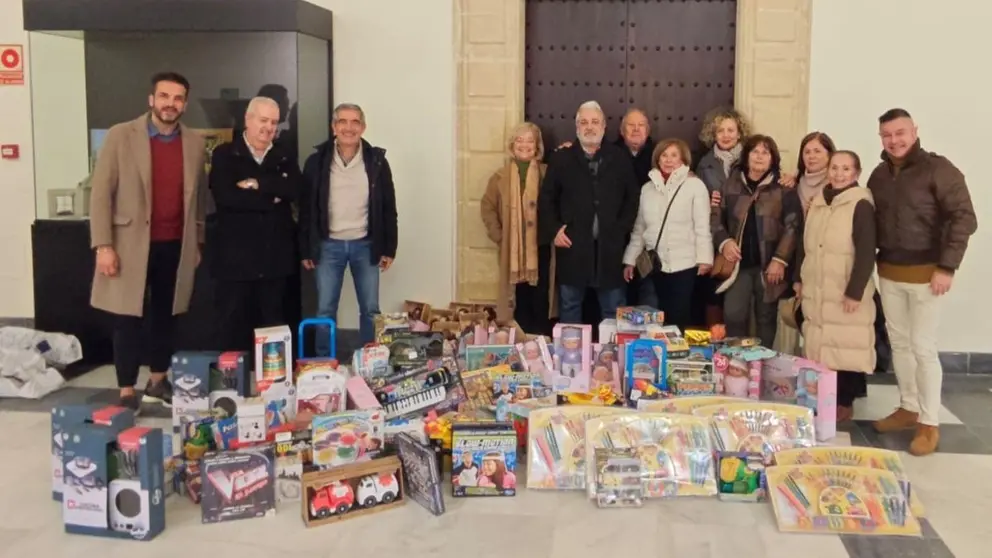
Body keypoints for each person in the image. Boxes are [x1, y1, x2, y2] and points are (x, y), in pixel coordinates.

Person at [89, 71, 205, 411]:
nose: (171, 104)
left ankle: (158, 380)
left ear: (184, 103)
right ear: (151, 100)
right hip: (128, 244)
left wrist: (196, 242)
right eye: (164, 97)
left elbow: (197, 198)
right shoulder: (120, 136)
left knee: (166, 315)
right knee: (127, 317)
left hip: (175, 244)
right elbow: (100, 194)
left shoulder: (195, 143)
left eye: (178, 98)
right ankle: (126, 388)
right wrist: (103, 245)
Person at [867, 108, 977, 456]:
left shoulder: (938, 169)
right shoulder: (878, 176)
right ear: (880, 137)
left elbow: (964, 218)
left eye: (900, 133)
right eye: (887, 135)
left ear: (914, 131)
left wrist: (947, 266)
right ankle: (908, 406)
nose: (894, 140)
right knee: (899, 345)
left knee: (923, 348)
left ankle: (929, 423)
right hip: (889, 273)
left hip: (929, 274)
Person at [300, 103, 398, 350]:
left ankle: (370, 363)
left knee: (370, 310)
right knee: (324, 310)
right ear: (334, 127)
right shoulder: (317, 161)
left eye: (355, 122)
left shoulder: (376, 161)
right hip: (327, 245)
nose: (348, 128)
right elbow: (306, 209)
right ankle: (324, 364)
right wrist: (306, 249)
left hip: (366, 245)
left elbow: (388, 207)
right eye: (342, 121)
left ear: (363, 127)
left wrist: (389, 248)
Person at [208, 96, 301, 351]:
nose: (268, 127)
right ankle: (231, 386)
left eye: (273, 122)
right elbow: (226, 197)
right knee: (231, 323)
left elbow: (294, 189)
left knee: (274, 327)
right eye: (263, 120)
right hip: (236, 259)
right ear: (248, 120)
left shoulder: (284, 155)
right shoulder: (225, 154)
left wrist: (257, 185)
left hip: (275, 260)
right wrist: (272, 197)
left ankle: (273, 387)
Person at [793, 150, 876, 423]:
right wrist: (799, 279)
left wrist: (855, 292)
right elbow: (804, 246)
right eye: (835, 168)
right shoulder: (819, 202)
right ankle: (823, 397)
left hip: (844, 288)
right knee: (822, 344)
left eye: (846, 169)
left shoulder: (860, 204)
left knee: (846, 345)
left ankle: (844, 401)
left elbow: (865, 252)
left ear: (856, 173)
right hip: (818, 286)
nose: (839, 174)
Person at [539, 101, 640, 324]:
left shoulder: (619, 158)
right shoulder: (561, 158)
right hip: (573, 248)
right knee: (570, 306)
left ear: (604, 126)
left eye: (595, 122)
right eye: (583, 122)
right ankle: (570, 359)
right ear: (576, 128)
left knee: (612, 312)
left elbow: (632, 198)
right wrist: (555, 230)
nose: (589, 127)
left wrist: (620, 228)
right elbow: (546, 200)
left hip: (610, 251)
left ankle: (611, 356)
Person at [711, 135, 802, 346]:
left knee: (766, 318)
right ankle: (736, 367)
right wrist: (725, 242)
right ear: (746, 156)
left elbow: (793, 226)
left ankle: (762, 369)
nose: (759, 157)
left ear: (773, 158)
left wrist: (780, 259)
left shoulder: (783, 188)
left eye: (765, 152)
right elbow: (716, 218)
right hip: (738, 266)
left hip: (769, 266)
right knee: (734, 315)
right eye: (755, 152)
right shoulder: (731, 184)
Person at [622, 138, 712, 330]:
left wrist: (705, 258)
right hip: (655, 266)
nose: (668, 160)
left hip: (684, 265)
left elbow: (702, 226)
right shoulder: (647, 189)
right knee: (653, 320)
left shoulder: (695, 186)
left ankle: (675, 357)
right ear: (658, 159)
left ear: (683, 159)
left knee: (678, 318)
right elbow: (639, 229)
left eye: (674, 155)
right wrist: (630, 260)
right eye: (664, 155)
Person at [480, 122, 555, 335]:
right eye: (520, 140)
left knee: (542, 297)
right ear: (512, 145)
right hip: (512, 250)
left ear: (537, 145)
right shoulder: (500, 177)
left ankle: (542, 345)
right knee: (518, 298)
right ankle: (522, 346)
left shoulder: (547, 172)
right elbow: (487, 207)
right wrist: (500, 236)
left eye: (530, 140)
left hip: (540, 247)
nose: (525, 145)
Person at [694, 107, 752, 326]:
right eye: (720, 131)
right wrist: (707, 202)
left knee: (741, 302)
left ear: (739, 133)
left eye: (730, 130)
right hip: (715, 234)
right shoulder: (704, 163)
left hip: (743, 232)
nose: (726, 135)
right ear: (713, 134)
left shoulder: (751, 158)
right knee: (713, 294)